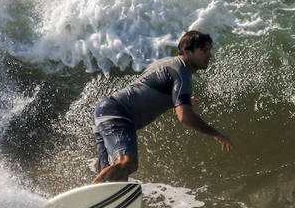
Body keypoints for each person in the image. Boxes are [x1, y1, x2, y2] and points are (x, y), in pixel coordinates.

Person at [91, 30, 234, 183]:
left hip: (106, 112)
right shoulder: (181, 71)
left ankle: (99, 204)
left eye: (209, 50)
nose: (209, 55)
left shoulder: (167, 63)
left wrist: (173, 99)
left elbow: (147, 86)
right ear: (187, 52)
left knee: (117, 178)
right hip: (117, 113)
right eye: (204, 51)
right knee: (128, 163)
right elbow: (184, 116)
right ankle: (90, 200)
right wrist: (216, 134)